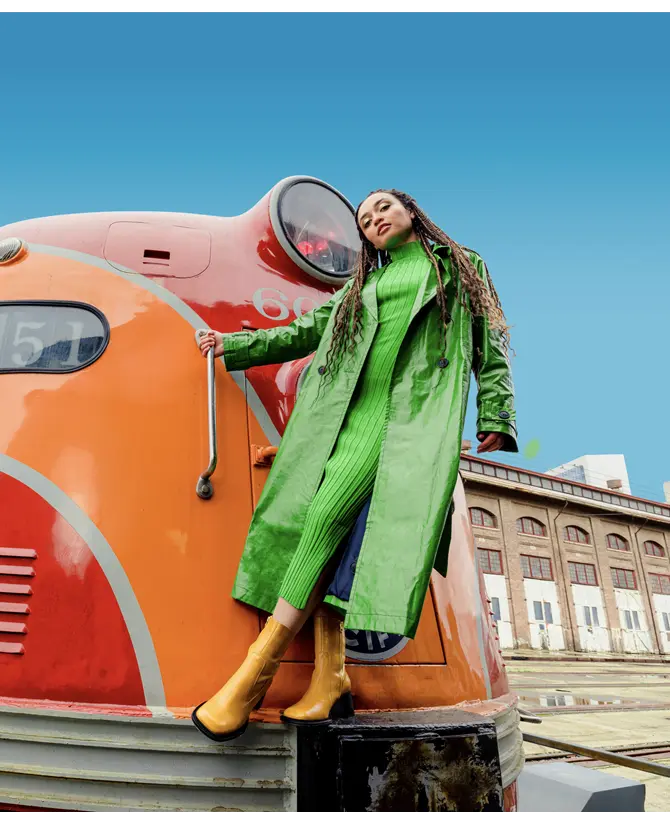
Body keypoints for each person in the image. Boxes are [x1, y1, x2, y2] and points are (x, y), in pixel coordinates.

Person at [191, 189, 518, 743]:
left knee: (328, 532)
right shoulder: (358, 288)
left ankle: (252, 678)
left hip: (410, 420)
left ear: (410, 211)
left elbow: (492, 343)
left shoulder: (462, 266)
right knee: (328, 537)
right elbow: (304, 332)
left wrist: (497, 412)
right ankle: (328, 679)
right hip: (351, 420)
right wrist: (233, 346)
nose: (374, 221)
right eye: (365, 221)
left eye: (383, 209)